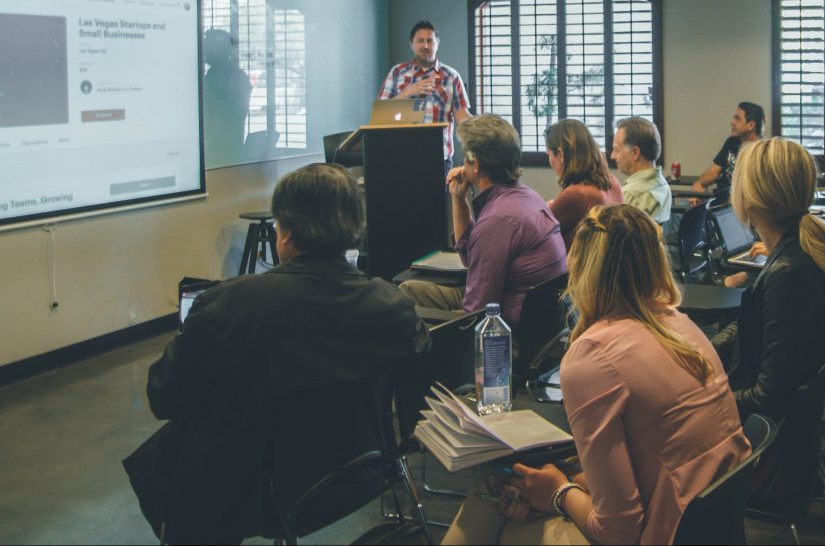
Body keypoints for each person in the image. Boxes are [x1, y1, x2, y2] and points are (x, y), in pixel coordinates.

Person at [123, 164, 430, 544]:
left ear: (284, 233)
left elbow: (164, 396)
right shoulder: (392, 306)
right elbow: (418, 360)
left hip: (247, 492)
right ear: (356, 229)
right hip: (356, 473)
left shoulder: (227, 305)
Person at [442, 204, 750, 545]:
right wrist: (567, 485)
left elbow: (619, 532)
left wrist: (558, 493)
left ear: (580, 271)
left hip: (665, 530)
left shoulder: (593, 358)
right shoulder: (681, 325)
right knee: (509, 489)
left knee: (504, 515)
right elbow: (647, 464)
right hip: (702, 521)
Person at [712, 138, 825, 423]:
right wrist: (705, 349)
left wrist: (702, 402)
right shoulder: (807, 247)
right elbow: (758, 323)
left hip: (769, 436)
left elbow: (768, 397)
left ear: (748, 199)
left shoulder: (790, 273)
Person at [400, 114, 566, 326]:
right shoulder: (527, 197)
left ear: (475, 164)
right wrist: (458, 199)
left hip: (503, 334)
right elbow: (471, 259)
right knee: (408, 290)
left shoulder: (498, 220)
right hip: (536, 326)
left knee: (404, 311)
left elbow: (475, 313)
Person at [377, 20, 472, 170]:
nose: (425, 46)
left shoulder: (451, 76)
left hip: (439, 158)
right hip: (400, 156)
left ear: (437, 44)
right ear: (412, 44)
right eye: (420, 41)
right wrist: (409, 92)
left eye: (430, 41)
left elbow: (462, 115)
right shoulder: (397, 72)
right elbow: (381, 113)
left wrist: (483, 133)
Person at [544, 119, 623, 250]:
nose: (550, 161)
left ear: (560, 154)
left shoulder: (576, 194)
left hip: (581, 269)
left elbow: (535, 233)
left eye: (549, 154)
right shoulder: (613, 182)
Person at [690, 101, 765, 197]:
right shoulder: (732, 142)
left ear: (751, 125)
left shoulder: (762, 152)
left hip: (738, 206)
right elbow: (713, 171)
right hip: (719, 199)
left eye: (737, 119)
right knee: (684, 208)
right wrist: (698, 185)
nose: (732, 122)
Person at [202, 28, 252, 165]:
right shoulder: (240, 76)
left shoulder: (214, 79)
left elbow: (214, 117)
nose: (204, 50)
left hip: (216, 154)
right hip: (231, 151)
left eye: (208, 45)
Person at [610, 116, 672, 224]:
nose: (612, 156)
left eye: (616, 150)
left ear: (635, 153)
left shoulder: (630, 194)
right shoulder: (663, 184)